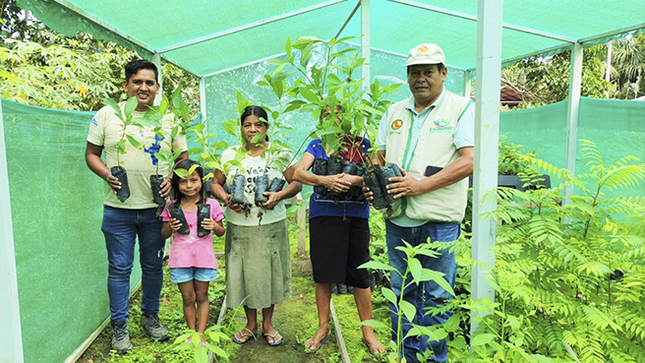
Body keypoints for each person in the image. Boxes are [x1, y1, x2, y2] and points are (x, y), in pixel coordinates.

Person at [368, 43, 474, 363]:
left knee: (437, 297)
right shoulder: (394, 111)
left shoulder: (461, 108)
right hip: (398, 220)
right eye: (414, 72)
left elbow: (471, 160)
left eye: (429, 71)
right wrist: (374, 183)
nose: (421, 78)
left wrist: (421, 185)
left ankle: (433, 360)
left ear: (444, 74)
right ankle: (407, 357)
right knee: (401, 295)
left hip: (438, 221)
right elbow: (379, 155)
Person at [85, 59, 188, 354]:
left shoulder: (169, 118)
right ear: (126, 85)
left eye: (150, 83)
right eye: (138, 82)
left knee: (153, 265)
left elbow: (182, 157)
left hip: (157, 209)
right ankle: (120, 326)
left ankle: (150, 317)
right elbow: (91, 154)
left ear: (157, 88)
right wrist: (107, 174)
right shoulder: (108, 115)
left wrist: (172, 178)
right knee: (119, 268)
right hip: (118, 210)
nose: (144, 88)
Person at [293, 105, 386, 354]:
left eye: (339, 114)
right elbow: (299, 173)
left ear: (348, 118)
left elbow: (377, 173)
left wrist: (354, 179)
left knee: (360, 273)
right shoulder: (317, 145)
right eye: (327, 115)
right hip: (323, 214)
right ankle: (323, 327)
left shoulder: (362, 145)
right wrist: (324, 180)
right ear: (322, 120)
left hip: (356, 216)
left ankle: (368, 332)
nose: (333, 119)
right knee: (323, 273)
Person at [211, 105, 302, 346]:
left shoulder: (279, 153)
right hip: (240, 226)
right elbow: (216, 184)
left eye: (259, 124)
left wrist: (279, 196)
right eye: (248, 125)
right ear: (240, 128)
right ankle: (250, 324)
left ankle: (268, 324)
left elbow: (296, 183)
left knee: (270, 273)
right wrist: (227, 199)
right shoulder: (231, 155)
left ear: (267, 128)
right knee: (244, 274)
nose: (253, 129)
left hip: (271, 224)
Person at [161, 159, 225, 341]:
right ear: (176, 184)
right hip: (181, 260)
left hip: (204, 259)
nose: (189, 186)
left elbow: (221, 232)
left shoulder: (211, 205)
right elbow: (164, 234)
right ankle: (191, 333)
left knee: (202, 295)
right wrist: (170, 227)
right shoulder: (172, 207)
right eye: (183, 181)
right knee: (188, 297)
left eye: (194, 180)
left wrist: (214, 225)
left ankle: (201, 333)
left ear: (201, 181)